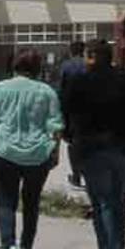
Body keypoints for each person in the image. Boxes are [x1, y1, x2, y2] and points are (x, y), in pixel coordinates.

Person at [62, 39, 125, 249]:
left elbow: (67, 114)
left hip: (93, 151)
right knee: (118, 200)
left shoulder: (80, 82)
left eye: (88, 56)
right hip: (123, 149)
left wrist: (70, 138)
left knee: (102, 203)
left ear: (92, 56)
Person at [0, 49, 64, 249]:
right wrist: (55, 151)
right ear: (38, 68)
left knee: (6, 203)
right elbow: (56, 125)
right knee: (31, 203)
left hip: (4, 153)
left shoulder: (0, 88)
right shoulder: (47, 91)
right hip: (37, 155)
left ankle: (10, 247)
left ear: (14, 66)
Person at [53, 40, 88, 187]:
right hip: (89, 110)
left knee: (73, 144)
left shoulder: (67, 66)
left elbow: (61, 89)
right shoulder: (90, 64)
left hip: (71, 111)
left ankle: (76, 175)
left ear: (71, 51)